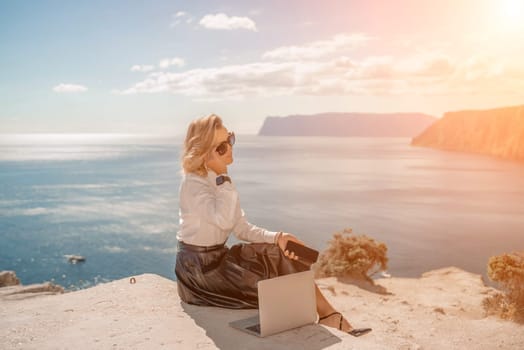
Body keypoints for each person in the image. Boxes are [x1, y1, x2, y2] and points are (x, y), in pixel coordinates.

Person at [175, 114, 370, 336]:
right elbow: (223, 220)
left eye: (230, 139)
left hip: (219, 260)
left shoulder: (218, 179)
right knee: (272, 285)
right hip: (199, 271)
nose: (229, 148)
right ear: (204, 153)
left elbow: (241, 228)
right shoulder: (194, 184)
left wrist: (278, 237)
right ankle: (328, 318)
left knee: (281, 252)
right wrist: (223, 178)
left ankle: (329, 315)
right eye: (221, 147)